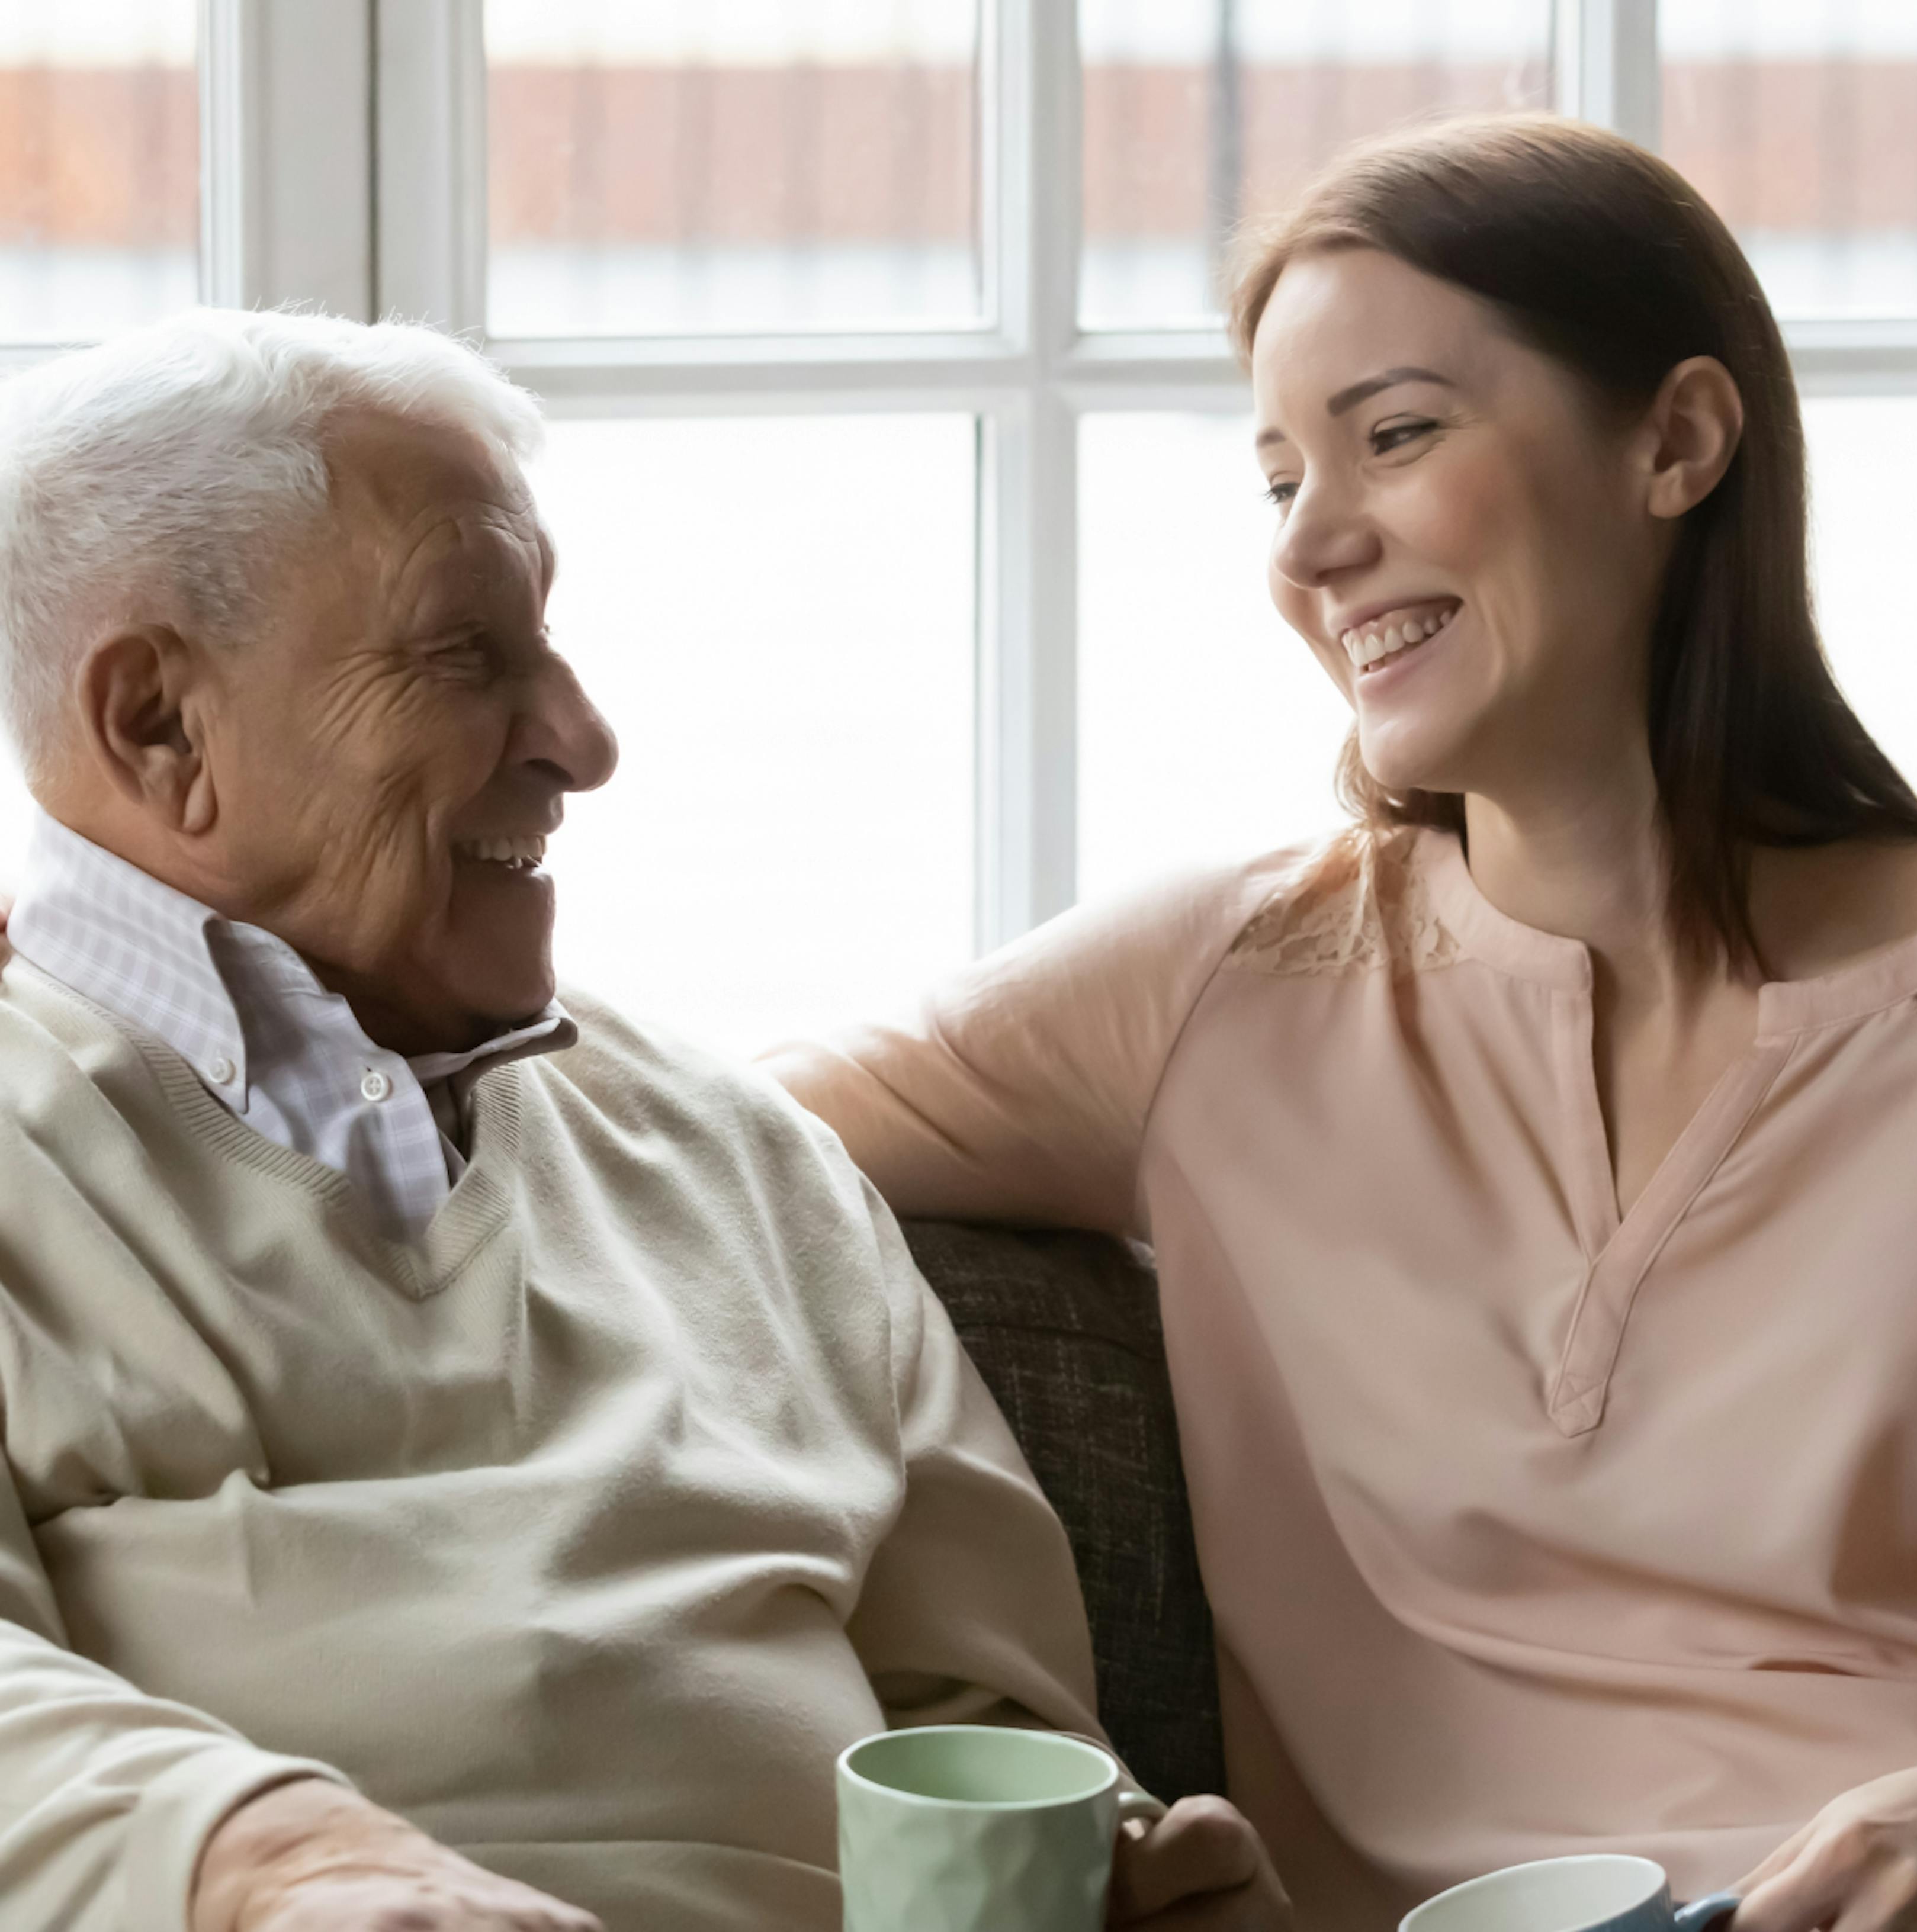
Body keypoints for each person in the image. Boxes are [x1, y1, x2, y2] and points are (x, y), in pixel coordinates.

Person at [766, 115, 1917, 1932]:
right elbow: (675, 1142)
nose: (1314, 545)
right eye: (1276, 480)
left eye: (1395, 435)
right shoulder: (1211, 989)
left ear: (1678, 441)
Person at [0, 308, 1288, 1932]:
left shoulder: (734, 1149)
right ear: (158, 725)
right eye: (467, 656)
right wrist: (269, 1863)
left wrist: (1116, 1873)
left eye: (548, 647)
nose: (583, 744)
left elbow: (984, 1721)